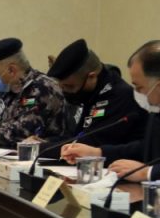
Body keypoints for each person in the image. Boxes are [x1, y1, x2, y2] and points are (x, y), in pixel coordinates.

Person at [62, 40, 160, 181]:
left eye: (139, 87)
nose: (137, 93)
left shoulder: (122, 96)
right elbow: (146, 147)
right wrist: (97, 152)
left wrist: (149, 172)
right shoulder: (155, 111)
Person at [44, 39, 144, 152]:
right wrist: (44, 142)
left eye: (70, 86)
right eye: (62, 87)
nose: (66, 92)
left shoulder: (120, 96)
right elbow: (76, 136)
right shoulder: (91, 95)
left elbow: (88, 144)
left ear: (91, 77)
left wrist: (37, 149)